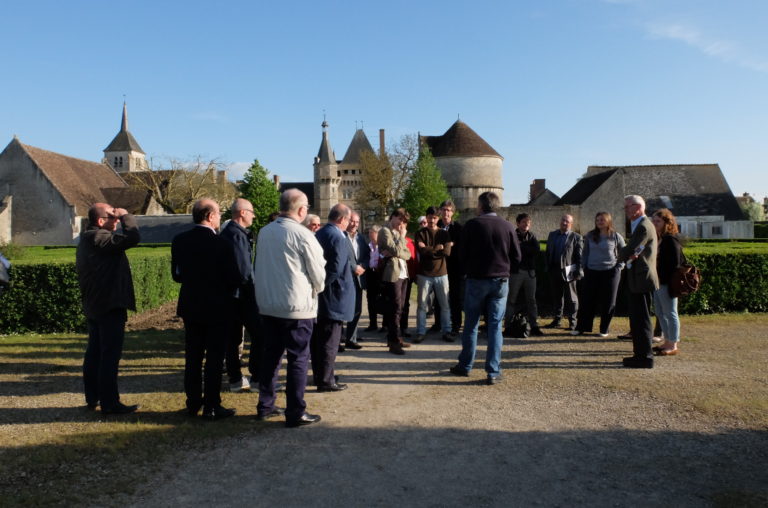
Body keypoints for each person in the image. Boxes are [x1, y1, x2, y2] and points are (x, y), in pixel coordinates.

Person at [255, 189, 326, 427]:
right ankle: (295, 411)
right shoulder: (304, 235)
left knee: (271, 355)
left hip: (268, 304)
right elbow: (318, 272)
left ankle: (265, 404)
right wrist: (318, 288)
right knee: (298, 358)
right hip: (296, 307)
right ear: (302, 209)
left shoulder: (264, 232)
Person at [172, 199, 240, 420]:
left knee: (192, 357)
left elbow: (177, 275)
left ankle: (193, 403)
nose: (220, 218)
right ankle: (212, 404)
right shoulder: (222, 244)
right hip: (218, 307)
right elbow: (234, 278)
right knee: (214, 357)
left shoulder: (179, 240)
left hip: (191, 305)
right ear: (210, 216)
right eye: (219, 214)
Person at [76, 203, 140, 415]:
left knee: (95, 352)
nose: (116, 219)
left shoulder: (88, 238)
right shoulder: (98, 238)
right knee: (109, 355)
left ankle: (93, 397)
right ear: (101, 221)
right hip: (108, 304)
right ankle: (110, 402)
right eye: (112, 216)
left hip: (96, 304)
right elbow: (133, 238)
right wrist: (125, 215)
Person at [449, 192, 520, 385]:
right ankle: (493, 371)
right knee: (495, 327)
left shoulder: (472, 225)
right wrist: (505, 269)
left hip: (477, 280)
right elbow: (517, 257)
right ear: (496, 206)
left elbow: (461, 254)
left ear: (481, 206)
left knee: (471, 325)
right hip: (500, 281)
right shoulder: (508, 226)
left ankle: (465, 366)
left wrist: (468, 271)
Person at [311, 204, 355, 392]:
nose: (349, 224)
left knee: (320, 339)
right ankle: (326, 381)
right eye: (348, 220)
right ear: (342, 219)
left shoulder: (320, 233)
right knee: (330, 340)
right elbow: (335, 269)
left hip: (324, 297)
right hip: (333, 295)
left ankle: (322, 374)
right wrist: (320, 286)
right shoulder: (338, 237)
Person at [220, 198, 260, 392]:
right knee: (259, 334)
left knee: (233, 337)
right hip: (241, 295)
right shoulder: (236, 235)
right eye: (251, 211)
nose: (253, 215)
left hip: (232, 294)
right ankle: (257, 378)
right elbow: (243, 270)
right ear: (242, 213)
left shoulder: (230, 233)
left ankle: (236, 378)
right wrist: (253, 291)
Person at [618, 195, 659, 369]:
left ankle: (644, 356)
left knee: (641, 318)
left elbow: (629, 250)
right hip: (638, 277)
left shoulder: (643, 227)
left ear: (638, 207)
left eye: (627, 207)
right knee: (637, 318)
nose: (625, 210)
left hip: (641, 278)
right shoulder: (641, 226)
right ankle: (640, 354)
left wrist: (623, 252)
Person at [572, 212, 626, 337]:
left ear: (608, 221)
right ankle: (582, 327)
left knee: (608, 302)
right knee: (587, 300)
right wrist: (583, 268)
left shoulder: (616, 236)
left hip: (611, 272)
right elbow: (584, 253)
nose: (599, 222)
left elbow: (624, 252)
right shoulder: (590, 236)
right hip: (591, 271)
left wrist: (619, 267)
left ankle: (604, 329)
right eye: (597, 220)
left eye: (602, 219)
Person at [414, 206, 453, 343]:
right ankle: (420, 331)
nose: (432, 220)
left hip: (442, 274)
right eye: (429, 217)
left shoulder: (444, 234)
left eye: (435, 217)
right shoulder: (420, 233)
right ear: (426, 217)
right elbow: (421, 251)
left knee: (445, 305)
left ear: (438, 218)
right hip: (424, 274)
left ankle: (447, 331)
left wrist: (428, 249)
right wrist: (437, 248)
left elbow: (447, 252)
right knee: (422, 306)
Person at [378, 208, 412, 355]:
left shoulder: (397, 234)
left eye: (404, 221)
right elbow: (397, 250)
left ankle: (395, 337)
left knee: (400, 307)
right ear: (393, 217)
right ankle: (394, 341)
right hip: (393, 274)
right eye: (400, 219)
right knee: (395, 307)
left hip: (403, 274)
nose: (402, 224)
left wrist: (397, 249)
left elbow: (408, 254)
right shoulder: (385, 231)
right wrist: (402, 239)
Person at [503, 213, 543, 337]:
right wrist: (525, 249)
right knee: (511, 300)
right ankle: (508, 326)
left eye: (528, 223)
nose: (526, 225)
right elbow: (511, 252)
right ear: (518, 223)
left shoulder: (532, 236)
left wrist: (522, 248)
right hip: (516, 272)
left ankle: (534, 325)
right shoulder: (512, 236)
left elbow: (536, 251)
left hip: (530, 272)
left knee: (531, 300)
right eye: (524, 222)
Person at [651, 208, 684, 356]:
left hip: (667, 282)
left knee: (670, 312)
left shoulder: (671, 240)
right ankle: (667, 341)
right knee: (660, 312)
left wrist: (664, 276)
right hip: (658, 282)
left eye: (658, 221)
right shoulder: (660, 239)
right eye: (654, 220)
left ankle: (673, 343)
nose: (654, 223)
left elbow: (676, 263)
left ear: (666, 223)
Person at [544, 214, 582, 330]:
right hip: (554, 270)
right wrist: (547, 266)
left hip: (570, 270)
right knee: (557, 296)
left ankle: (573, 322)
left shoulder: (576, 237)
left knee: (571, 298)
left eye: (567, 221)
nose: (564, 223)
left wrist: (578, 272)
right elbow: (547, 252)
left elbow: (580, 257)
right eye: (563, 220)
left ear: (571, 224)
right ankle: (557, 319)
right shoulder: (552, 235)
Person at [342, 211, 369, 350]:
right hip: (345, 279)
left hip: (358, 279)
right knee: (341, 310)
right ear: (346, 220)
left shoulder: (361, 239)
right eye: (352, 221)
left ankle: (351, 339)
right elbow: (340, 258)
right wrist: (354, 267)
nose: (354, 224)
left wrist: (363, 266)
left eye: (357, 222)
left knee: (356, 310)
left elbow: (366, 256)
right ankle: (339, 339)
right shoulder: (340, 237)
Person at [437, 200, 464, 333]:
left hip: (454, 267)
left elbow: (462, 246)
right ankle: (438, 324)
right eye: (444, 209)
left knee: (454, 297)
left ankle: (456, 324)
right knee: (437, 297)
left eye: (448, 210)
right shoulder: (436, 226)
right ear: (440, 211)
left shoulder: (458, 228)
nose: (446, 212)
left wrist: (450, 245)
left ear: (452, 213)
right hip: (438, 266)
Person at [364, 225, 382, 332]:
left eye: (373, 232)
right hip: (370, 274)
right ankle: (373, 323)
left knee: (383, 298)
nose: (370, 235)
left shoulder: (382, 246)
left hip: (381, 274)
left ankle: (385, 325)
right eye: (369, 232)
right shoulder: (368, 246)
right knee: (370, 299)